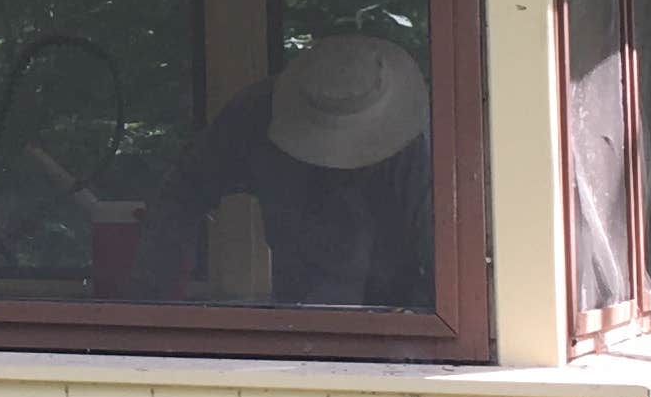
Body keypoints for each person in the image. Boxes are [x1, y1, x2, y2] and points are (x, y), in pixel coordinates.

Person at [118, 34, 430, 309]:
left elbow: (444, 270)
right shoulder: (254, 116)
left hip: (395, 322)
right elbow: (181, 196)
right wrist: (152, 306)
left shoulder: (419, 149)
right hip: (294, 312)